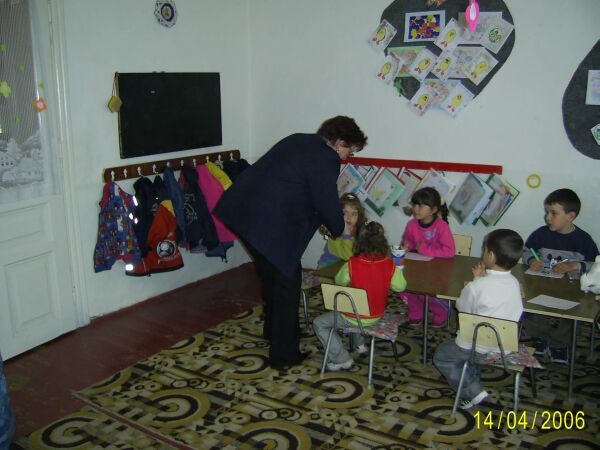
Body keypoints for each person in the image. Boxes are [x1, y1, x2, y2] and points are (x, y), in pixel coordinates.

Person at [214, 116, 368, 370]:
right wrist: (341, 229)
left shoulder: (300, 140)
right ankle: (284, 355)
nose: (346, 157)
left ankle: (275, 333)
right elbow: (325, 200)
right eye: (349, 151)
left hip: (241, 211)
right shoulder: (326, 158)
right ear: (340, 142)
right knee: (287, 284)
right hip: (265, 223)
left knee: (271, 277)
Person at [433, 229, 524, 410]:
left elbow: (462, 309)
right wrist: (479, 280)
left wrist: (476, 281)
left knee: (442, 356)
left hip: (476, 344)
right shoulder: (515, 283)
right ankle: (468, 385)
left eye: (484, 249)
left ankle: (472, 391)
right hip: (504, 346)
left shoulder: (477, 287)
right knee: (468, 355)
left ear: (491, 255)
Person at [313, 221, 407, 371]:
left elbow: (339, 281)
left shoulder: (351, 264)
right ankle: (360, 345)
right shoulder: (390, 264)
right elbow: (400, 287)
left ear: (358, 243)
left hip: (352, 316)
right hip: (375, 315)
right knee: (360, 309)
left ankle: (341, 358)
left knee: (319, 323)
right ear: (383, 243)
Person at [522, 188, 599, 363]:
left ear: (570, 216)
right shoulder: (541, 234)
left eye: (553, 213)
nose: (547, 217)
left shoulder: (583, 240)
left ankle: (559, 343)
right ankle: (541, 337)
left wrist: (575, 265)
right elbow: (527, 251)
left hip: (571, 291)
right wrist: (531, 260)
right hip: (542, 286)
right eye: (547, 212)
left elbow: (596, 265)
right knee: (524, 304)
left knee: (577, 312)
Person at [400, 187, 455, 326]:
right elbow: (408, 241)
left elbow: (450, 251)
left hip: (437, 269)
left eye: (422, 206)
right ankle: (416, 311)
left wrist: (425, 249)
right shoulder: (411, 224)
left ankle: (442, 311)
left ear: (434, 210)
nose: (416, 209)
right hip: (417, 266)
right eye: (415, 204)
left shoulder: (441, 226)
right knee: (402, 287)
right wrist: (406, 245)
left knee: (427, 292)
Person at [316, 193, 367, 269]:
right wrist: (347, 235)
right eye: (344, 213)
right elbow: (347, 256)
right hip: (326, 271)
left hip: (342, 271)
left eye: (353, 214)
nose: (349, 217)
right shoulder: (333, 233)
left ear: (359, 217)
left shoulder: (357, 232)